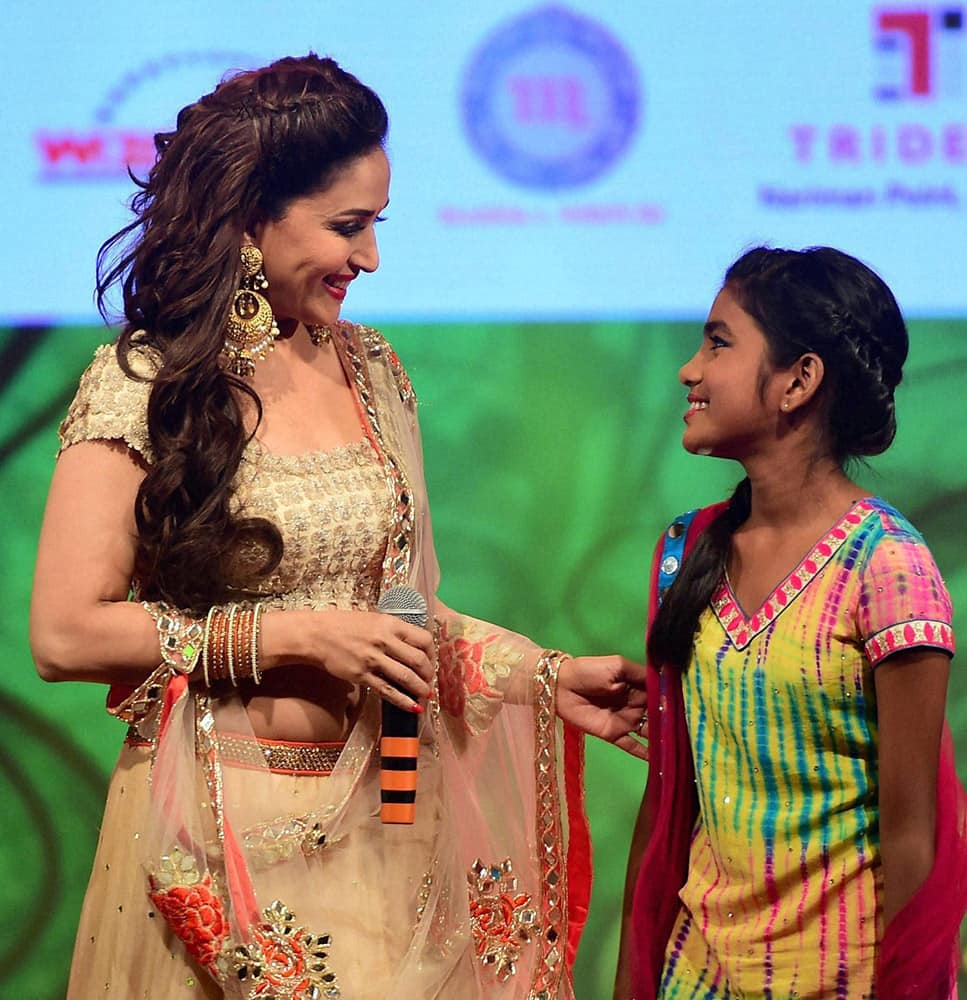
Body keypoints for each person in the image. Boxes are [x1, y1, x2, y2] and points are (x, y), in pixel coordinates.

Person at [29, 54, 650, 1000]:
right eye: (346, 228)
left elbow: (405, 609)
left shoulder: (372, 369)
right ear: (250, 220)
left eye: (374, 227)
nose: (369, 259)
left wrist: (546, 678)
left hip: (380, 834)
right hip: (209, 830)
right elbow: (65, 633)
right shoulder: (145, 383)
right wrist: (296, 635)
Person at [614, 246, 967, 999]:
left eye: (718, 343)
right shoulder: (684, 552)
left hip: (837, 979)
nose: (689, 370)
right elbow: (667, 805)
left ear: (798, 380)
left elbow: (914, 837)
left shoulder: (886, 567)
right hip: (693, 975)